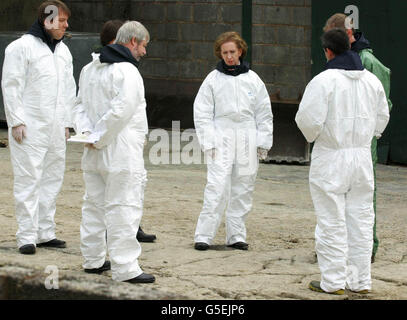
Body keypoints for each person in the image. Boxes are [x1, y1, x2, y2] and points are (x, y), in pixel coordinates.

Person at [295, 29, 389, 295]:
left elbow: (308, 122)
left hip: (332, 155)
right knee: (360, 219)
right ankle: (360, 282)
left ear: (327, 50)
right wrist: (367, 136)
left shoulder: (324, 80)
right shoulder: (372, 81)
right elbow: (382, 117)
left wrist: (319, 138)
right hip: (361, 156)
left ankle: (333, 281)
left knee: (331, 220)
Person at [73, 21, 155, 283]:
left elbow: (78, 106)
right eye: (143, 45)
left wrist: (88, 134)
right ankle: (125, 268)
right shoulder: (128, 72)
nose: (144, 51)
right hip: (119, 151)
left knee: (94, 205)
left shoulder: (88, 68)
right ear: (132, 41)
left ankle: (93, 259)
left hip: (93, 151)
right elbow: (122, 110)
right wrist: (99, 137)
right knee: (124, 207)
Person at [1, 0, 76, 255]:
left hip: (55, 126)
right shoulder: (21, 48)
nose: (66, 25)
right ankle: (26, 235)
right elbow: (11, 85)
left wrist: (67, 122)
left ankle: (45, 231)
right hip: (30, 126)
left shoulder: (64, 51)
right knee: (28, 179)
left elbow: (68, 89)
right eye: (62, 21)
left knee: (52, 178)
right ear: (48, 21)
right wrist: (16, 120)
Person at [193, 31, 273, 251]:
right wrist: (208, 141)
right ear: (219, 53)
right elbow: (202, 112)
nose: (229, 56)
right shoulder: (212, 80)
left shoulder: (253, 79)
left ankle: (236, 235)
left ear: (240, 51)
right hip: (222, 136)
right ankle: (204, 235)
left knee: (244, 187)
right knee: (217, 186)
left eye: (232, 52)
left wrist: (263, 142)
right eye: (225, 52)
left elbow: (264, 112)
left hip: (247, 135)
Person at [324, 13, 393, 263]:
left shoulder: (369, 62)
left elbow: (383, 105)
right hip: (343, 141)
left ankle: (367, 248)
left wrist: (370, 134)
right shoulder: (343, 60)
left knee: (363, 196)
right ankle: (342, 247)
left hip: (362, 141)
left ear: (349, 34)